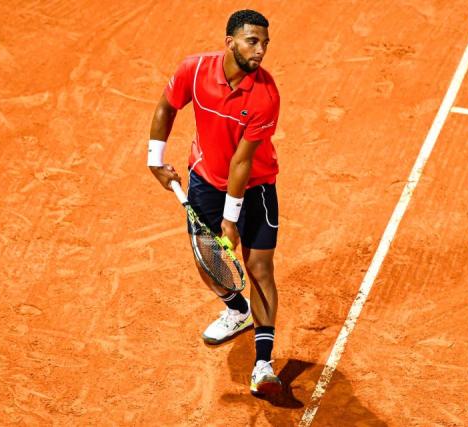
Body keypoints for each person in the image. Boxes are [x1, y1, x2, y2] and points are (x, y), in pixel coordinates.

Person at [146, 9, 282, 396]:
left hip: (254, 186)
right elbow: (166, 106)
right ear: (230, 42)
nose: (261, 51)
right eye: (253, 41)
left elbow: (242, 161)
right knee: (208, 261)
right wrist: (155, 160)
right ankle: (237, 311)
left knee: (259, 267)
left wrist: (230, 221)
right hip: (205, 180)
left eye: (265, 44)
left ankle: (263, 363)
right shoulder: (194, 69)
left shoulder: (266, 95)